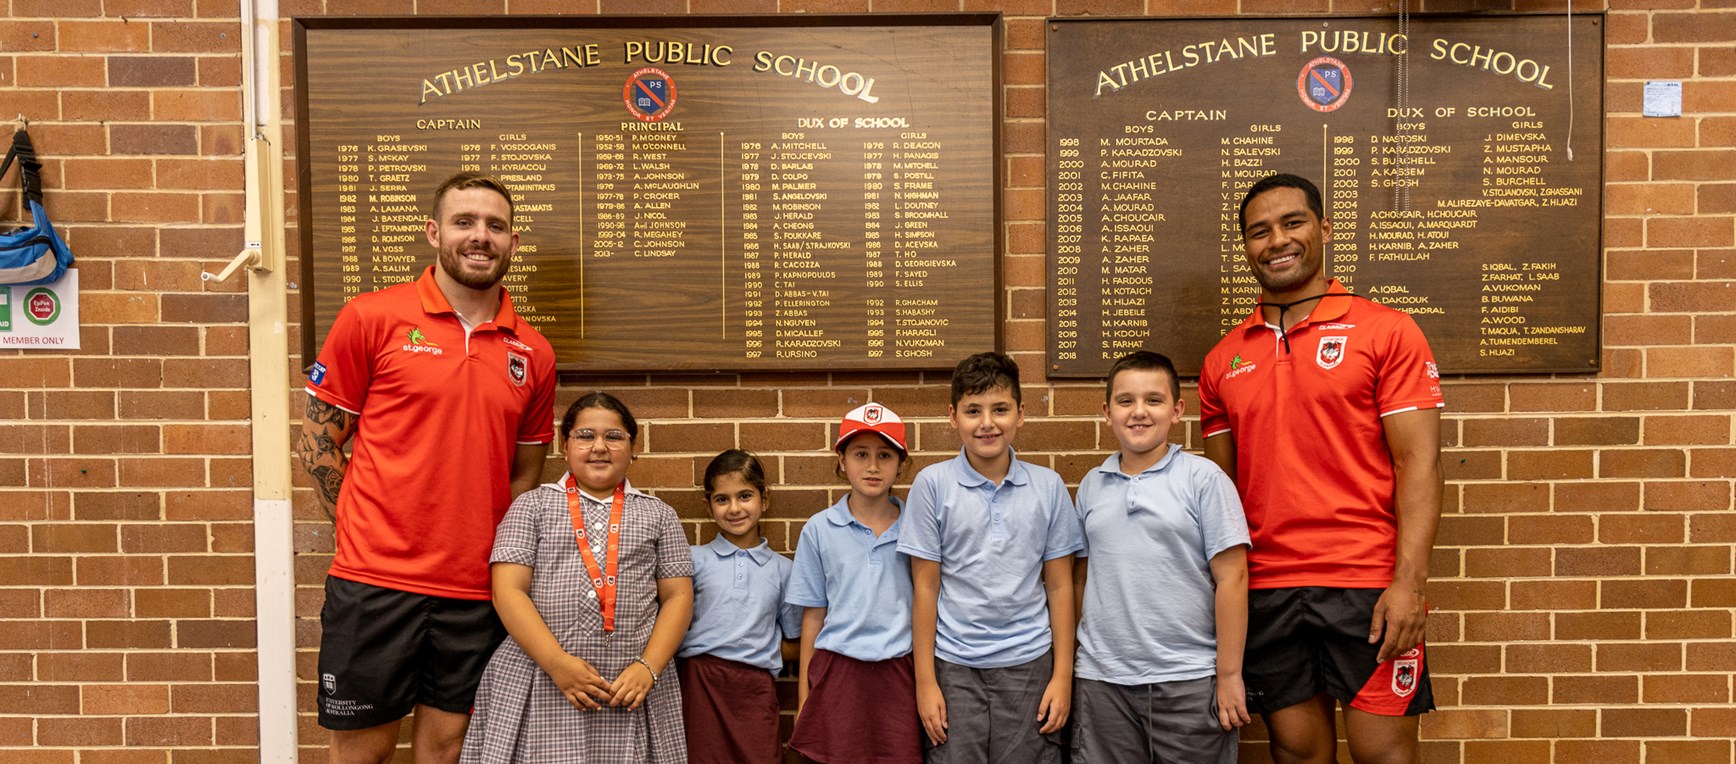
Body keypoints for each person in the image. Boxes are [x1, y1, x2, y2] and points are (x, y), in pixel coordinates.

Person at [296, 171, 557, 763]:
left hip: (475, 590)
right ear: (435, 233)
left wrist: (500, 560)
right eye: (465, 222)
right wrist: (360, 530)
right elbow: (317, 445)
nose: (480, 236)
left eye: (495, 226)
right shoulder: (370, 317)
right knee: (363, 750)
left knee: (448, 749)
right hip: (375, 582)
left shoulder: (534, 353)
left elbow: (524, 476)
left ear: (513, 242)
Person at [1199, 172, 1445, 764]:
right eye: (1259, 231)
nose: (1277, 241)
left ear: (1324, 229)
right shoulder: (1222, 360)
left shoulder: (1387, 330)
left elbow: (1419, 463)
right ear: (1246, 247)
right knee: (1297, 753)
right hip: (1268, 588)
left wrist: (1409, 584)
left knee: (1384, 755)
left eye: (1293, 223)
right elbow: (1223, 496)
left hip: (1366, 582)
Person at [460, 392, 695, 763]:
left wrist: (648, 668)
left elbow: (678, 597)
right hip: (542, 677)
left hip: (630, 687)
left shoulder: (659, 515)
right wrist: (557, 664)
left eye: (613, 437)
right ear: (564, 446)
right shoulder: (531, 507)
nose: (599, 447)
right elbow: (508, 591)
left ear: (633, 448)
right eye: (585, 436)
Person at [900, 352, 1084, 763]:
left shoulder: (1048, 486)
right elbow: (925, 588)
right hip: (954, 666)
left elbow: (1059, 586)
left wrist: (1062, 675)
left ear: (1021, 414)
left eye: (1000, 409)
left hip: (1030, 664)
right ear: (953, 417)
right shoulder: (932, 485)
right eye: (973, 411)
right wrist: (925, 682)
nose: (987, 422)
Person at [1071, 350, 1250, 763]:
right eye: (1126, 401)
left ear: (1177, 411)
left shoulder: (1204, 479)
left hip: (1187, 679)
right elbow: (1080, 578)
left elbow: (1233, 577)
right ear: (1107, 413)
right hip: (1103, 682)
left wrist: (1228, 674)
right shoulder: (1092, 486)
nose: (1139, 412)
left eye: (1154, 400)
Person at [785, 403, 924, 763]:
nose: (873, 466)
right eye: (861, 454)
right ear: (842, 460)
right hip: (837, 672)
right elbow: (813, 617)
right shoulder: (819, 529)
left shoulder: (918, 526)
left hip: (899, 671)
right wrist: (805, 700)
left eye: (885, 455)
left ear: (901, 463)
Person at [677, 449, 803, 764]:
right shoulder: (692, 560)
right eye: (722, 499)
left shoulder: (783, 570)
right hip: (700, 683)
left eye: (745, 496)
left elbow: (796, 643)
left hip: (755, 689)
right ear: (708, 506)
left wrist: (759, 646)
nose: (734, 508)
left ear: (765, 499)